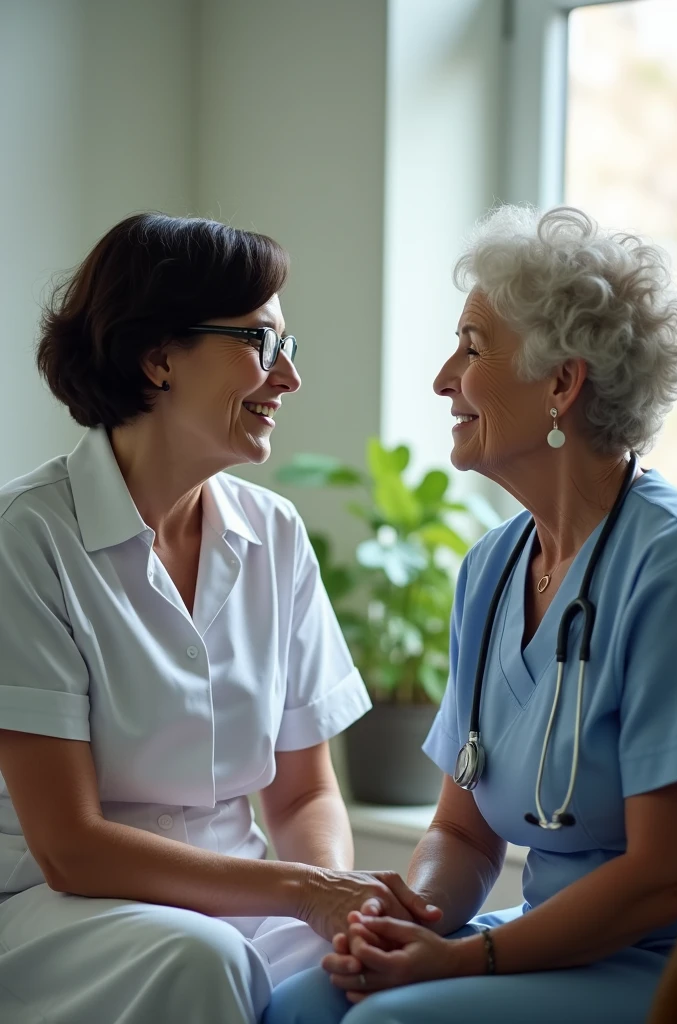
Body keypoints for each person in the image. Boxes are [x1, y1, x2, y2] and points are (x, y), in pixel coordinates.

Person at [0, 213, 440, 1024]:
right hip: (62, 910)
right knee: (205, 959)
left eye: (288, 346)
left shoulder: (273, 535)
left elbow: (306, 796)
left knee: (383, 970)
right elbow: (69, 846)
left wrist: (341, 911)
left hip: (246, 901)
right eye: (259, 343)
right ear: (157, 356)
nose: (289, 378)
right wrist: (305, 891)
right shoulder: (26, 539)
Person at [263, 205, 677, 1024]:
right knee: (303, 1007)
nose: (442, 377)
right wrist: (403, 923)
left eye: (472, 347)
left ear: (563, 383)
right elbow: (462, 837)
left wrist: (464, 958)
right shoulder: (491, 570)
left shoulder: (668, 564)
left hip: (658, 966)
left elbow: (664, 875)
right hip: (535, 940)